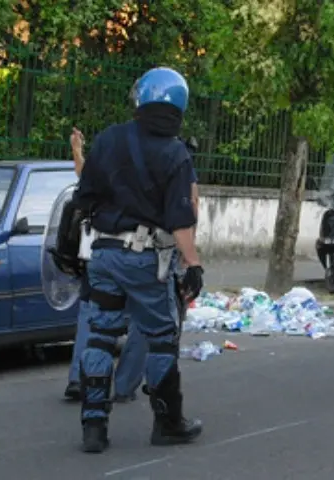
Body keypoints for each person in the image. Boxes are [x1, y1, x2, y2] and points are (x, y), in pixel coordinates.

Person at [72, 67, 204, 453]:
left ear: (141, 98)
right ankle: (168, 423)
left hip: (105, 254)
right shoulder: (176, 153)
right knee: (162, 339)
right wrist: (193, 264)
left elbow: (84, 196)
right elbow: (182, 221)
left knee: (100, 335)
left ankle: (93, 428)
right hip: (146, 259)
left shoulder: (110, 139)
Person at [63, 127, 147, 404]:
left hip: (99, 256)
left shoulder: (102, 177)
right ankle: (123, 386)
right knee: (142, 321)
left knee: (92, 316)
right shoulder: (146, 178)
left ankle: (80, 378)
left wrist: (77, 149)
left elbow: (82, 175)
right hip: (137, 257)